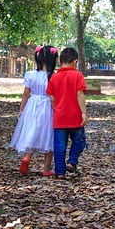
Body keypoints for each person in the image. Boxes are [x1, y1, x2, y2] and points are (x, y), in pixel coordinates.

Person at [10, 45, 57, 175]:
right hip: (48, 106)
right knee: (49, 135)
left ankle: (27, 157)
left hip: (32, 105)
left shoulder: (30, 74)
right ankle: (46, 169)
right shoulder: (54, 76)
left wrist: (21, 110)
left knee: (32, 130)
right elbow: (55, 96)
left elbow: (25, 93)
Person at [45, 46, 87, 178]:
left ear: (60, 61)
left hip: (60, 117)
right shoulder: (78, 75)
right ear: (75, 62)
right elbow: (80, 94)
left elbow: (51, 98)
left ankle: (60, 172)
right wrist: (84, 113)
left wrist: (57, 108)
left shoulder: (54, 78)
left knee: (59, 146)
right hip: (75, 117)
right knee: (79, 141)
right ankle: (72, 162)